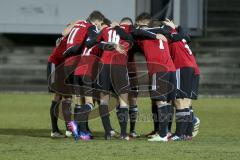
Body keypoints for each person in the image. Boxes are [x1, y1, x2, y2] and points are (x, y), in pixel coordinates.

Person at [47, 22, 75, 138]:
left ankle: (67, 129)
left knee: (66, 97)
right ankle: (56, 130)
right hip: (55, 66)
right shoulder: (67, 38)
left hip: (62, 68)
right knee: (58, 97)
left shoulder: (68, 39)